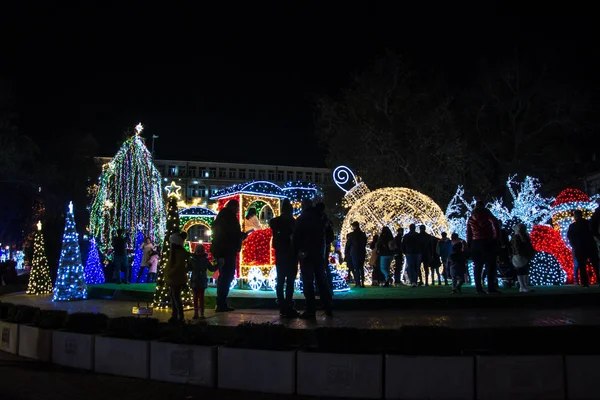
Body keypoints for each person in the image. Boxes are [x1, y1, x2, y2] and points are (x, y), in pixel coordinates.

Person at [293, 199, 332, 318]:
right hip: (319, 252)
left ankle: (311, 310)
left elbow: (296, 236)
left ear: (304, 206)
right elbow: (330, 234)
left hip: (307, 253)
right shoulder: (322, 217)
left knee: (308, 282)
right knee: (321, 281)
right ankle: (328, 307)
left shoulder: (302, 218)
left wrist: (298, 251)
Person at [211, 199, 245, 312]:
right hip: (227, 250)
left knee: (224, 276)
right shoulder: (228, 219)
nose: (237, 210)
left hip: (224, 250)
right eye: (236, 207)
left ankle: (221, 302)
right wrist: (240, 236)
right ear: (232, 207)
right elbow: (229, 234)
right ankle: (221, 303)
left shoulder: (223, 218)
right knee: (227, 276)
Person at [269, 199, 298, 317]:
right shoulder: (293, 222)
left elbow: (272, 224)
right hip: (291, 254)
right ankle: (288, 303)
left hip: (281, 254)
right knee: (290, 281)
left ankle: (282, 304)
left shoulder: (276, 222)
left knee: (280, 280)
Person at [467, 201, 500, 294]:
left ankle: (478, 288)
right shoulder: (488, 214)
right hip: (488, 241)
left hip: (475, 243)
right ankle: (491, 288)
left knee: (477, 267)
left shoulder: (470, 218)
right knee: (491, 266)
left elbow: (468, 233)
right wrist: (496, 238)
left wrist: (469, 244)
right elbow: (496, 224)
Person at [567, 210, 600, 287]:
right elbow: (594, 233)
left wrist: (574, 245)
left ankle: (584, 282)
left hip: (580, 247)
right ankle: (598, 279)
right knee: (595, 264)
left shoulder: (573, 226)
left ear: (575, 216)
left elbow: (569, 236)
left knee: (582, 266)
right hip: (590, 246)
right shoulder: (588, 223)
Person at [165, 232, 191, 324]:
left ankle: (179, 316)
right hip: (175, 277)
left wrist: (170, 272)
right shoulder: (176, 252)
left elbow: (178, 265)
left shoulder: (178, 252)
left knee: (176, 296)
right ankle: (175, 315)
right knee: (173, 296)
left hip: (176, 277)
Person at [189, 244, 217, 319]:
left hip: (199, 279)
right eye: (198, 251)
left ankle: (200, 313)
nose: (200, 253)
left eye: (201, 251)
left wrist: (218, 265)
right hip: (197, 279)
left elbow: (211, 268)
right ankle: (197, 313)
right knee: (196, 297)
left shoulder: (198, 260)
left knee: (200, 297)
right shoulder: (194, 260)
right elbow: (188, 268)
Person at [510, 223, 536, 293]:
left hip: (525, 255)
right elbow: (517, 247)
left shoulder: (525, 236)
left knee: (525, 271)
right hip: (520, 255)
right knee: (521, 271)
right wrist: (521, 253)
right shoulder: (516, 237)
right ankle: (522, 286)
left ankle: (525, 286)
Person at [345, 221, 368, 288]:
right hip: (362, 253)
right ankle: (362, 283)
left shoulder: (351, 235)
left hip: (354, 253)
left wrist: (346, 253)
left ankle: (358, 283)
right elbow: (365, 243)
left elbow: (348, 245)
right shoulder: (363, 234)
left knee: (356, 268)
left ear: (354, 227)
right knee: (361, 268)